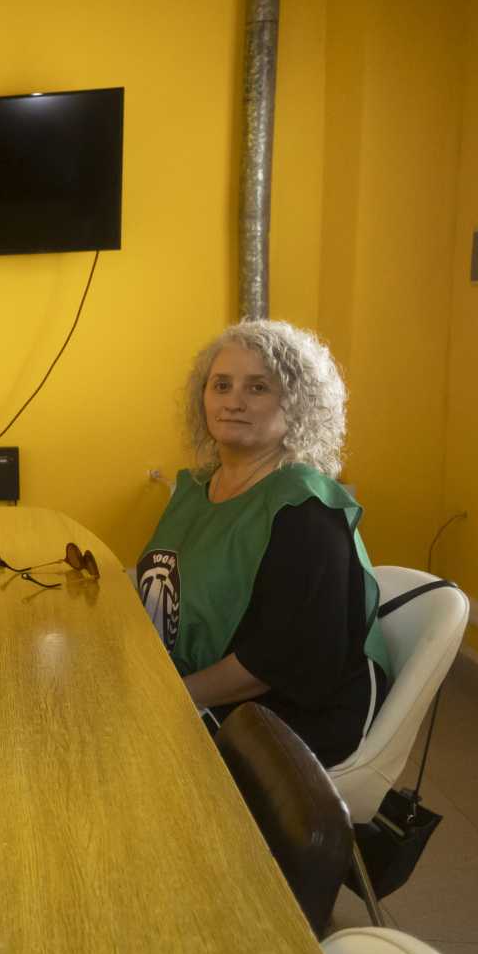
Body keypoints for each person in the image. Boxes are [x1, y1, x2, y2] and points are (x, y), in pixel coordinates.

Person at [135, 319, 392, 766]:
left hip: (285, 719)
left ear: (296, 405)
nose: (234, 401)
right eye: (222, 385)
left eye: (258, 388)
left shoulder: (306, 511)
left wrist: (163, 697)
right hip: (206, 685)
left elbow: (276, 661)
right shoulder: (198, 489)